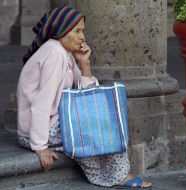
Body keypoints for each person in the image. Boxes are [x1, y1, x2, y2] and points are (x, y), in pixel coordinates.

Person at [17, 6, 152, 189]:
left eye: (83, 31)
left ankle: (119, 173)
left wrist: (84, 63)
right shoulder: (55, 53)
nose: (82, 37)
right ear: (61, 31)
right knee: (89, 126)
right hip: (37, 131)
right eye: (77, 31)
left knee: (100, 116)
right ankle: (117, 175)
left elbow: (87, 97)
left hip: (53, 122)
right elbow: (41, 104)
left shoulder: (65, 53)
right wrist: (40, 147)